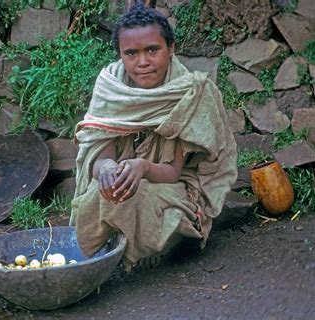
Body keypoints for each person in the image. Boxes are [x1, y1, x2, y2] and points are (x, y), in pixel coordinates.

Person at [70, 4, 237, 269]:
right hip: (129, 174)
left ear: (171, 49)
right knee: (101, 194)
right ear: (120, 56)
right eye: (131, 53)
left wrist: (143, 167)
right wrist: (107, 168)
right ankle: (99, 257)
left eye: (152, 50)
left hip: (172, 182)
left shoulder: (189, 93)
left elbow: (173, 172)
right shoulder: (111, 89)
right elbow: (100, 155)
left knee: (137, 199)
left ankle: (157, 247)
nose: (143, 62)